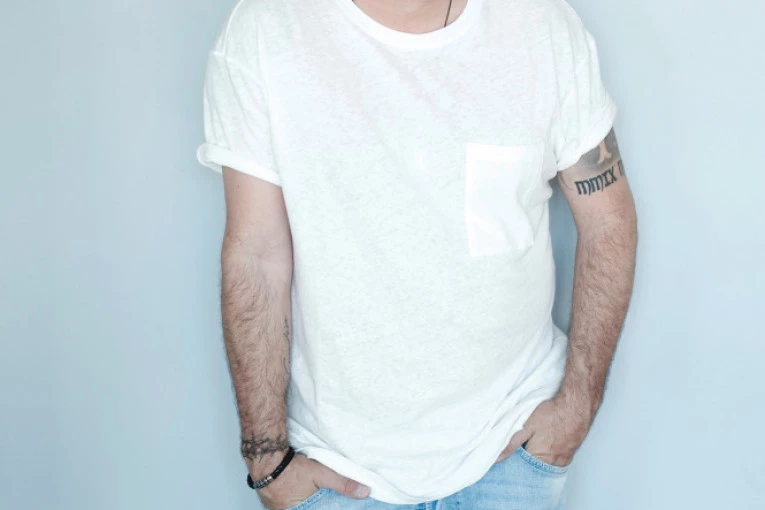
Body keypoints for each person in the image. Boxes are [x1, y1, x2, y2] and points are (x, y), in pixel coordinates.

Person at [195, 0, 638, 508]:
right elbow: (256, 254)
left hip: (512, 452)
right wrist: (266, 459)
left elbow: (608, 219)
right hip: (336, 466)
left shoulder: (541, 24)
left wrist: (578, 404)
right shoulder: (266, 29)